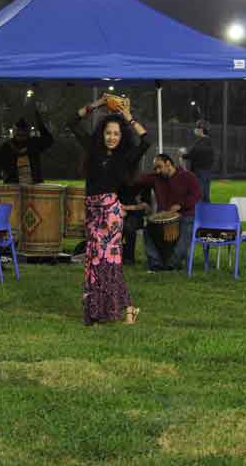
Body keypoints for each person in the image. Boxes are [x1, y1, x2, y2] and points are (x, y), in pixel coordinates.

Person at [69, 96, 149, 325]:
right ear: (102, 134)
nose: (111, 137)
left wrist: (127, 117)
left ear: (121, 136)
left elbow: (146, 140)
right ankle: (99, 310)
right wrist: (96, 105)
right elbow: (71, 123)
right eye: (108, 133)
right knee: (94, 261)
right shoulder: (93, 150)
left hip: (111, 214)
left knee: (109, 263)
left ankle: (118, 308)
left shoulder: (125, 157)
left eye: (116, 133)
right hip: (93, 212)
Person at [136, 154, 202, 272]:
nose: (157, 170)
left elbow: (197, 196)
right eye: (155, 168)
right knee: (148, 230)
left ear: (168, 164)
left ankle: (172, 264)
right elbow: (137, 180)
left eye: (159, 167)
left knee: (186, 231)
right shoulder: (156, 177)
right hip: (164, 216)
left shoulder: (188, 176)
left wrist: (181, 205)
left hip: (186, 214)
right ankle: (155, 263)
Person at [0, 110, 54, 185]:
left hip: (15, 184)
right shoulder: (34, 143)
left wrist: (2, 173)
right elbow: (49, 140)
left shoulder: (7, 146)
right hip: (29, 185)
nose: (21, 135)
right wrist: (40, 123)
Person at [118, 177, 152, 266]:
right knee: (117, 226)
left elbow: (146, 205)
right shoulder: (118, 184)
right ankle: (115, 255)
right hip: (118, 212)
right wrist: (119, 209)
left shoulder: (143, 184)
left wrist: (127, 208)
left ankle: (129, 259)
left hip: (136, 215)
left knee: (129, 227)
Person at [180, 120, 214, 202]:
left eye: (197, 127)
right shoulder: (209, 141)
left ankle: (199, 213)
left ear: (201, 130)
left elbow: (191, 155)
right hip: (207, 171)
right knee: (205, 195)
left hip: (199, 172)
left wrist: (182, 154)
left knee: (199, 195)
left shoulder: (200, 143)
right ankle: (207, 212)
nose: (195, 129)